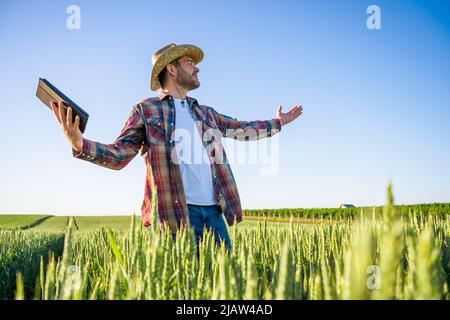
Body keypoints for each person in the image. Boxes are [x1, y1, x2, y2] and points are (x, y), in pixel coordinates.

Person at [50, 43, 303, 250]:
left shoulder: (206, 113)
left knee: (223, 287)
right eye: (190, 63)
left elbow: (243, 129)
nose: (197, 69)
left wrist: (278, 123)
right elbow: (120, 154)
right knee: (183, 290)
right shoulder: (146, 110)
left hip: (215, 214)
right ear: (171, 69)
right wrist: (80, 144)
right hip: (174, 218)